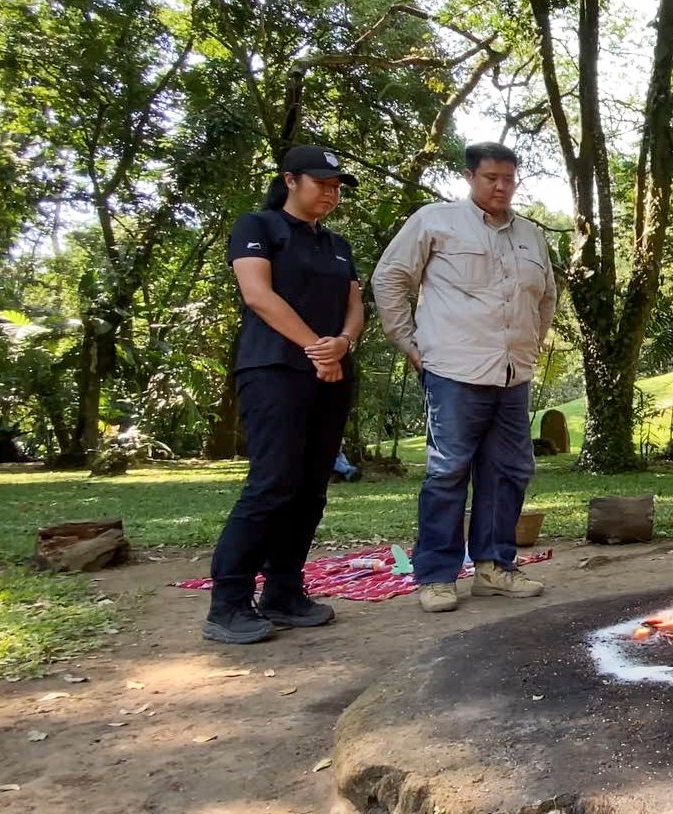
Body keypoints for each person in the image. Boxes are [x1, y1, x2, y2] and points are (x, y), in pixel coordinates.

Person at [373, 142, 557, 613]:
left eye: (509, 179)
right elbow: (390, 278)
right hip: (453, 371)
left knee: (509, 471)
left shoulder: (531, 236)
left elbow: (545, 298)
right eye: (491, 177)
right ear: (470, 177)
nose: (501, 186)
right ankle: (436, 576)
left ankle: (495, 567)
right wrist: (410, 344)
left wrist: (531, 346)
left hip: (513, 374)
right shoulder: (434, 221)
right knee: (448, 471)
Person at [204, 145, 364, 644]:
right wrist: (317, 347)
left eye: (337, 186)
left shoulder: (337, 244)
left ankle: (284, 591)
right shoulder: (258, 226)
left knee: (312, 486)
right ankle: (227, 603)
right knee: (273, 482)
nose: (331, 193)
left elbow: (355, 305)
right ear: (291, 180)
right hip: (274, 367)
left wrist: (342, 342)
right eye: (322, 183)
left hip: (332, 373)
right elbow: (258, 294)